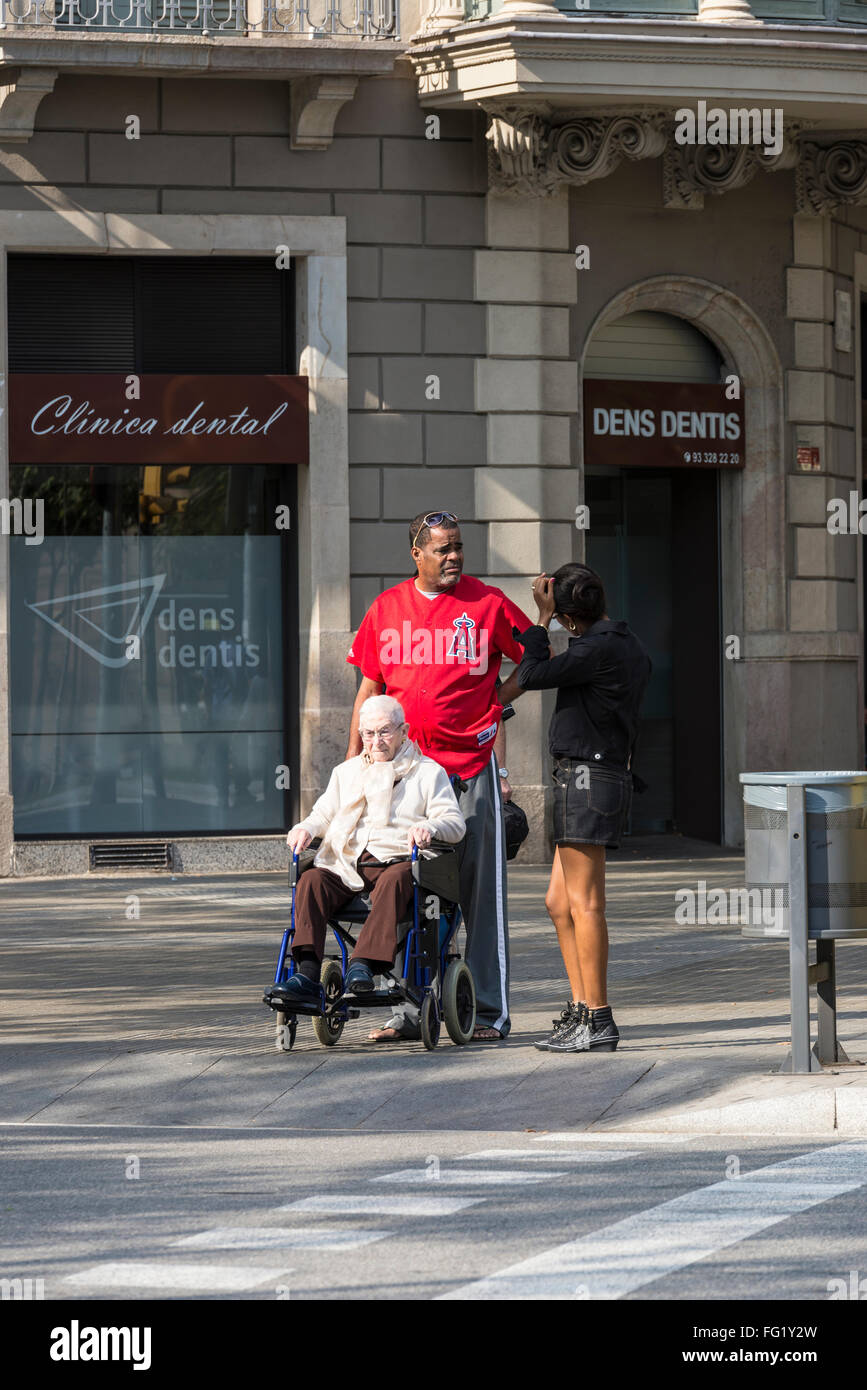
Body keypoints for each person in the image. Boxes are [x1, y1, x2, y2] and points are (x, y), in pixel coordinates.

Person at [345, 511, 533, 1041]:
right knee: (400, 886)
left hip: (470, 771)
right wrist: (354, 765)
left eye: (458, 548)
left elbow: (536, 656)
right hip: (402, 778)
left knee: (479, 892)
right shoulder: (386, 609)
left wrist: (496, 702)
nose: (453, 557)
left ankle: (490, 1012)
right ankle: (407, 1012)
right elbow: (369, 693)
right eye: (443, 549)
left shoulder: (488, 603)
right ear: (417, 555)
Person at [514, 563, 651, 1054]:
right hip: (592, 777)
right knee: (559, 902)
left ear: (569, 617)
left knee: (586, 904)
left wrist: (540, 618)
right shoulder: (624, 643)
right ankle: (581, 1010)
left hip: (589, 778)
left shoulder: (595, 650)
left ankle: (598, 1018)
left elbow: (529, 674)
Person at [270, 695, 465, 1004]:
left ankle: (363, 964)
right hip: (347, 863)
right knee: (311, 880)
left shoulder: (428, 772)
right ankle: (306, 974)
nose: (376, 741)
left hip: (400, 862)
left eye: (385, 731)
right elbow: (322, 814)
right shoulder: (346, 773)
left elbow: (455, 823)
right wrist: (306, 828)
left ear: (404, 730)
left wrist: (431, 827)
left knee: (397, 878)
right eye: (369, 734)